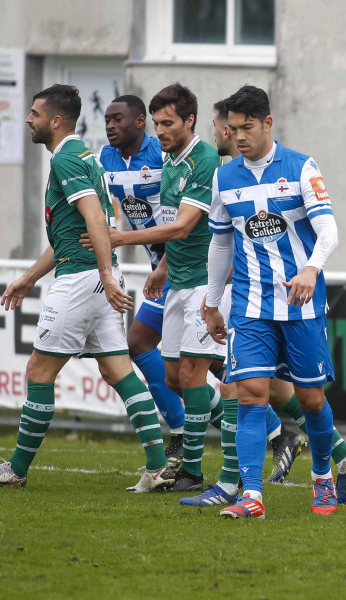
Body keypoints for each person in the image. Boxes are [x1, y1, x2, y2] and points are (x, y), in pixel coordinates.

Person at [0, 84, 174, 493]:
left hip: (82, 280)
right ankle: (157, 466)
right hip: (95, 276)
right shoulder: (85, 157)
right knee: (118, 370)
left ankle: (16, 469)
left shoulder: (67, 159)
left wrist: (105, 276)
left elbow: (96, 218)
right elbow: (70, 233)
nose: (29, 119)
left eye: (34, 114)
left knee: (38, 371)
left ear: (55, 121)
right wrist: (29, 278)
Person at [196, 100, 346, 506]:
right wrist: (211, 302)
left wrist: (311, 268)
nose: (238, 136)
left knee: (311, 399)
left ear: (267, 123)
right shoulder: (224, 178)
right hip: (250, 305)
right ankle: (251, 495)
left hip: (301, 304)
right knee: (250, 393)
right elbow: (221, 242)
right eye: (233, 128)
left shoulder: (301, 167)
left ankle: (324, 473)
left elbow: (328, 231)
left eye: (247, 127)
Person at [90, 83, 225, 493]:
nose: (160, 130)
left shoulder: (204, 159)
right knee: (174, 377)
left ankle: (198, 467)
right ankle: (271, 431)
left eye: (168, 123)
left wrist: (119, 239)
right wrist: (162, 268)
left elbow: (184, 227)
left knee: (209, 374)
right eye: (159, 123)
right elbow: (173, 223)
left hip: (206, 282)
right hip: (177, 280)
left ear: (189, 121)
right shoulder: (170, 161)